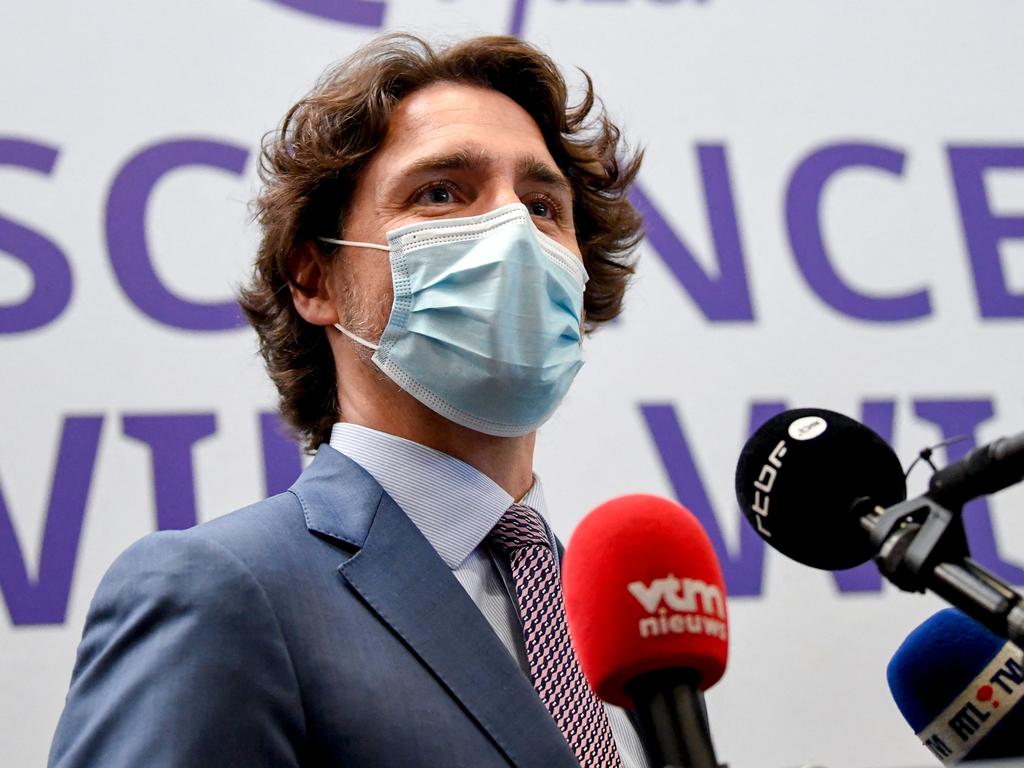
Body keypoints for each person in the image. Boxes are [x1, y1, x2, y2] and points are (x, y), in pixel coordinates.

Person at [49, 34, 645, 767]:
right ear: (314, 280)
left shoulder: (617, 621)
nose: (514, 230)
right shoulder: (224, 593)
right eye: (441, 192)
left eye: (543, 205)